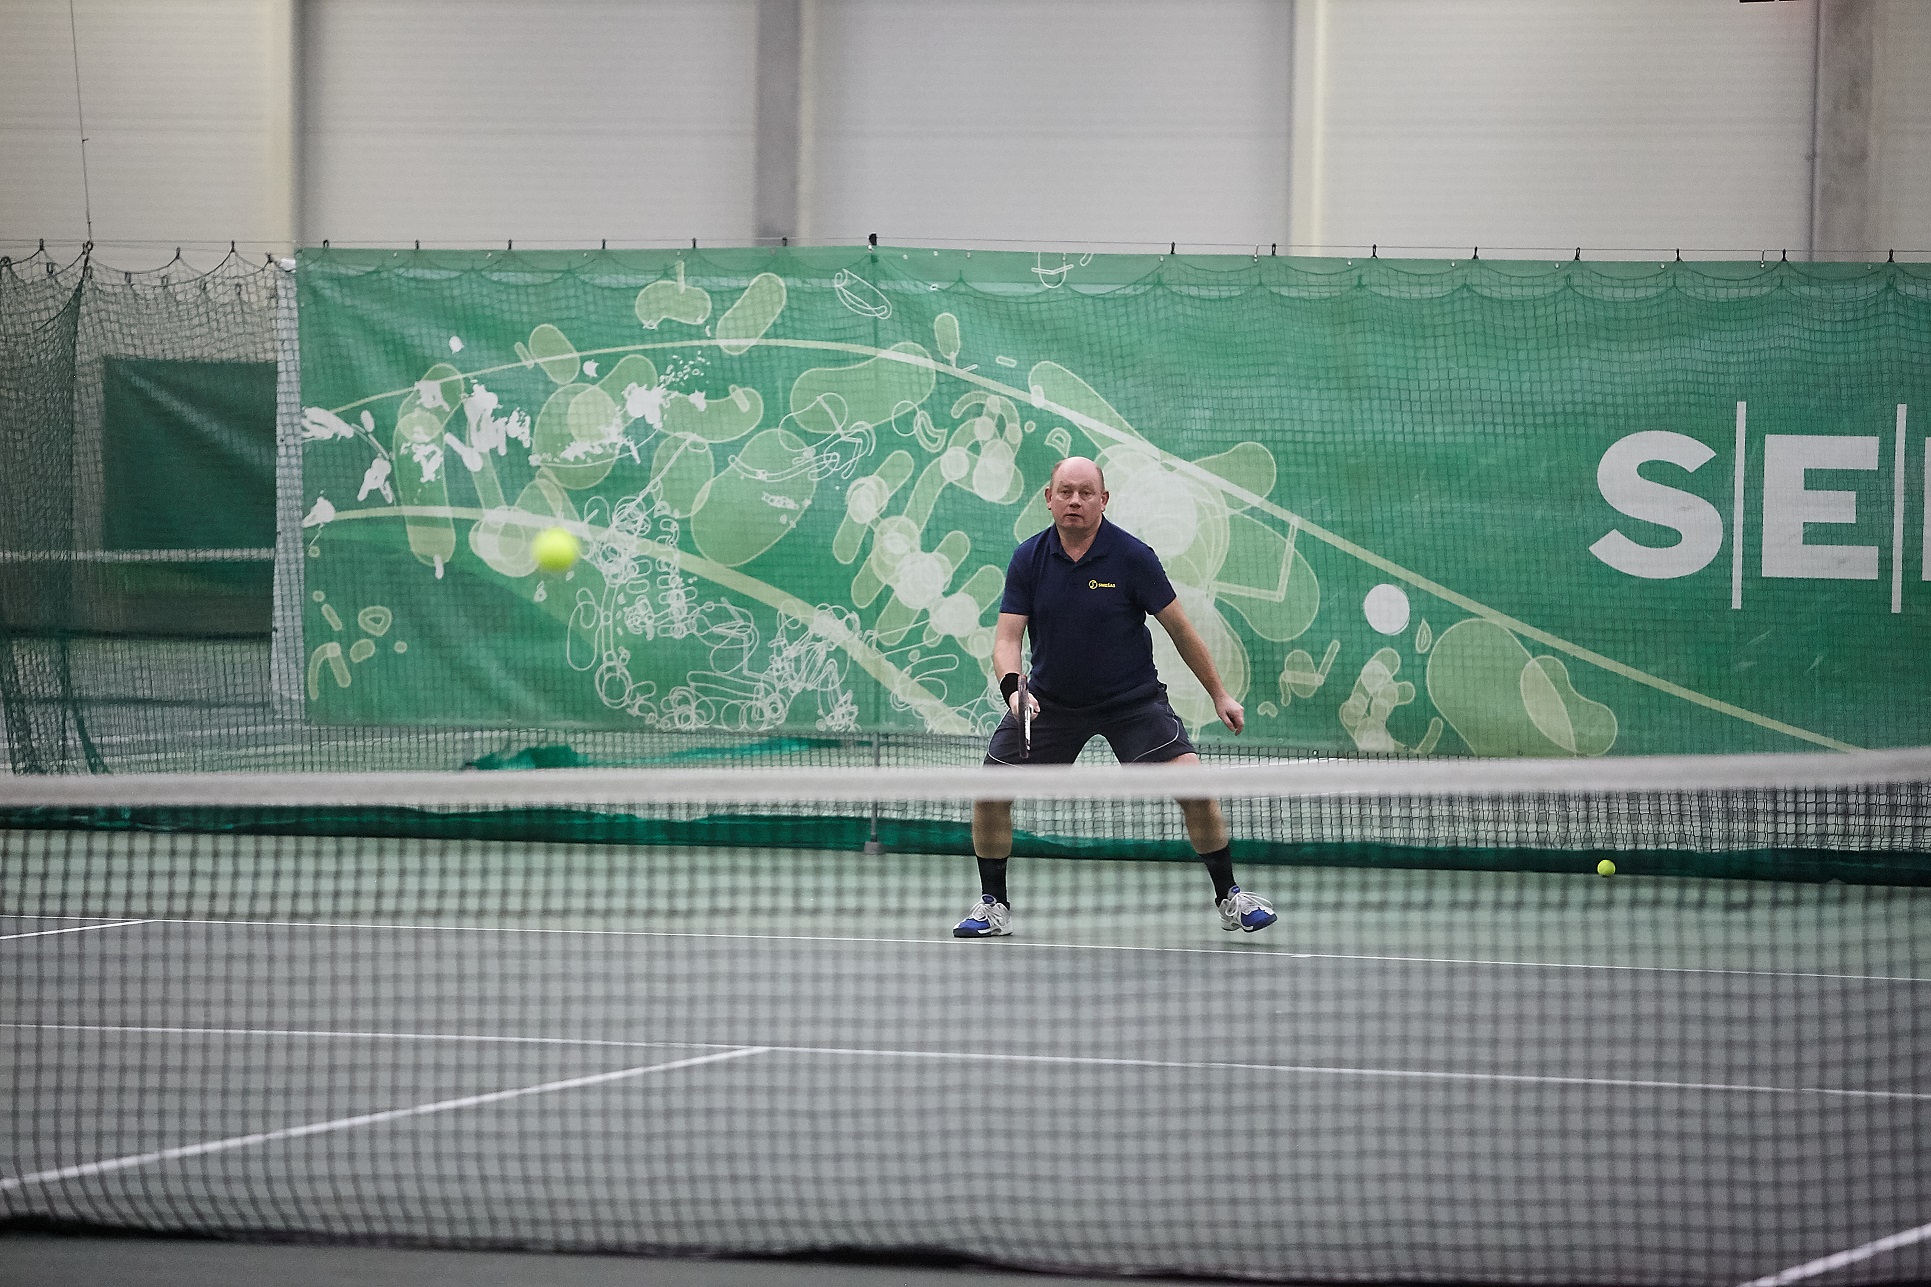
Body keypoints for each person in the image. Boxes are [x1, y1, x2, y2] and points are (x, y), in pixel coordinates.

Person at [955, 455, 1277, 938]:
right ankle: (992, 905)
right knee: (989, 793)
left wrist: (1220, 695)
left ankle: (1230, 896)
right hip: (1051, 703)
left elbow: (1181, 630)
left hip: (1133, 702)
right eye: (1065, 492)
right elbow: (1007, 640)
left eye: (1086, 493)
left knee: (1195, 787)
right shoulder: (1028, 559)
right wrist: (1013, 692)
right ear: (1049, 498)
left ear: (1103, 500)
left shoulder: (1132, 557)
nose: (1075, 501)